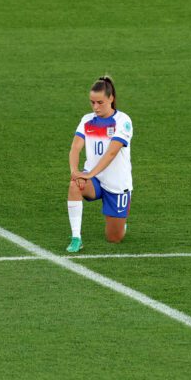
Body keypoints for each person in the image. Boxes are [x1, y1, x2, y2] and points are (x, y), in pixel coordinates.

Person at [66, 76, 134, 253]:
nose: (95, 107)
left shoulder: (123, 121)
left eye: (100, 102)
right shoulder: (87, 120)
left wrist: (88, 174)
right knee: (74, 185)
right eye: (92, 102)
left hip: (117, 184)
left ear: (111, 99)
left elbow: (111, 153)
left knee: (114, 238)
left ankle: (120, 225)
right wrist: (76, 172)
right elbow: (75, 148)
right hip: (94, 179)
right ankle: (76, 238)